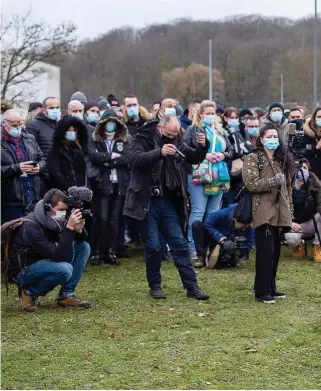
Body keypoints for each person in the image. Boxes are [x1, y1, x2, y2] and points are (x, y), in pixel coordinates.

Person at [124, 114, 210, 300]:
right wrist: (159, 152)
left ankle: (192, 287)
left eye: (175, 134)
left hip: (168, 200)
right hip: (145, 201)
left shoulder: (177, 139)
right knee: (154, 247)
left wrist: (203, 147)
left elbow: (192, 157)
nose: (173, 138)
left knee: (179, 244)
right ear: (159, 128)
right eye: (169, 134)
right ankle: (155, 286)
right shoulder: (142, 138)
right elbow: (134, 159)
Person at [7, 189, 91, 311]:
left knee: (83, 247)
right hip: (23, 271)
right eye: (60, 210)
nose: (63, 213)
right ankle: (29, 292)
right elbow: (58, 256)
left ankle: (66, 295)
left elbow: (77, 241)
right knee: (65, 269)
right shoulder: (31, 227)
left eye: (65, 210)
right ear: (47, 208)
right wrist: (69, 227)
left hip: (43, 260)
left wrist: (78, 230)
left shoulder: (54, 220)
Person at [243, 124, 294, 304]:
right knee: (265, 251)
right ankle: (261, 290)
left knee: (275, 252)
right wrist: (273, 181)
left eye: (275, 136)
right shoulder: (253, 157)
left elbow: (287, 188)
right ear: (262, 139)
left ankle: (270, 287)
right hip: (263, 210)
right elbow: (251, 183)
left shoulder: (282, 159)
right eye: (269, 136)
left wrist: (290, 210)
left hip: (280, 210)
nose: (273, 139)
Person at [184, 100, 231, 259]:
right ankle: (192, 246)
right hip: (198, 174)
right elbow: (185, 150)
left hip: (218, 175)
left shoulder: (220, 131)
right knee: (198, 210)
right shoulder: (192, 129)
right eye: (207, 113)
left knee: (213, 212)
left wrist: (223, 155)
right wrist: (202, 153)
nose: (211, 116)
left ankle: (211, 243)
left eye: (213, 113)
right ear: (200, 114)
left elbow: (231, 151)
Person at [88, 109, 130, 266]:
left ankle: (110, 251)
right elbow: (93, 156)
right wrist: (111, 156)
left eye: (113, 123)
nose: (110, 126)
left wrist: (106, 162)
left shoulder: (123, 141)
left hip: (119, 184)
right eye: (108, 123)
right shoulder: (95, 141)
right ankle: (96, 251)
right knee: (101, 219)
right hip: (102, 184)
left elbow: (126, 158)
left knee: (114, 220)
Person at [1, 110, 46, 223]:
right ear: (4, 123)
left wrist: (39, 167)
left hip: (32, 196)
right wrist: (18, 168)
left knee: (32, 234)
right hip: (11, 199)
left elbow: (43, 159)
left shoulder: (29, 138)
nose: (17, 128)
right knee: (12, 235)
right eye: (14, 125)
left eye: (19, 124)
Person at [192, 203, 254, 269]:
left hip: (230, 244)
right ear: (235, 219)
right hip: (214, 237)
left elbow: (250, 242)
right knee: (196, 225)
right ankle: (201, 257)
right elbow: (208, 224)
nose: (244, 228)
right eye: (243, 226)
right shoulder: (223, 213)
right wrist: (220, 237)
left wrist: (241, 254)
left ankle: (231, 259)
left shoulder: (248, 222)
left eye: (246, 226)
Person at [284, 159, 321, 262]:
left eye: (304, 168)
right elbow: (280, 209)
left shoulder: (315, 185)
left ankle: (317, 247)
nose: (301, 171)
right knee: (291, 239)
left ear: (309, 171)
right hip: (293, 224)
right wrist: (289, 222)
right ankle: (297, 245)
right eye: (299, 169)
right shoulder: (286, 186)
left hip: (311, 223)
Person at [47, 116, 87, 192]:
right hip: (63, 191)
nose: (71, 133)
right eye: (69, 130)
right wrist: (68, 186)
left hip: (81, 189)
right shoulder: (56, 151)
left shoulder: (79, 150)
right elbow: (54, 172)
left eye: (73, 130)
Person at [223, 107, 252, 205]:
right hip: (229, 169)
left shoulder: (241, 131)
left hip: (242, 170)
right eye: (231, 117)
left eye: (236, 118)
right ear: (225, 118)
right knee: (229, 199)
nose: (234, 120)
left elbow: (248, 147)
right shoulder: (223, 132)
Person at [302, 107, 321, 179]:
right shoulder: (306, 134)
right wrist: (316, 148)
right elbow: (303, 154)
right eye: (319, 117)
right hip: (312, 174)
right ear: (314, 118)